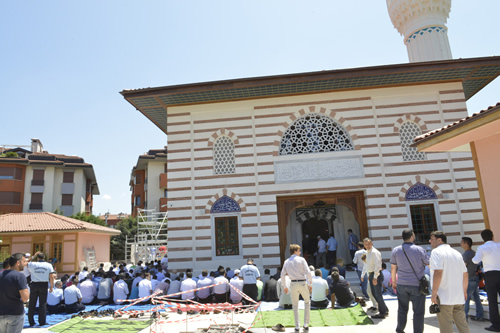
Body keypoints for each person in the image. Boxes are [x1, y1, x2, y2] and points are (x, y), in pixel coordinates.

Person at [429, 231, 469, 333]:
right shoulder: (457, 253)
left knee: (446, 326)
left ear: (439, 240)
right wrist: (464, 291)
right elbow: (465, 274)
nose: (430, 241)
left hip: (444, 296)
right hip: (458, 296)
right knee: (463, 325)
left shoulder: (436, 252)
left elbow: (438, 272)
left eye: (432, 239)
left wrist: (434, 293)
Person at [390, 229, 429, 333]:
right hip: (417, 285)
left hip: (401, 284)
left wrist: (394, 282)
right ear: (412, 236)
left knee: (402, 309)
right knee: (418, 312)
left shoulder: (396, 250)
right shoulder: (420, 250)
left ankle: (400, 330)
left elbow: (393, 268)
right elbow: (429, 264)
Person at [472, 229, 500, 332]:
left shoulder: (482, 248)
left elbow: (475, 260)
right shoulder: (499, 245)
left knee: (492, 301)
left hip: (490, 275)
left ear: (482, 238)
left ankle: (496, 325)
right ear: (492, 236)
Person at [281, 244, 313, 332]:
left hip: (293, 284)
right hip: (302, 282)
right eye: (299, 250)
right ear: (295, 251)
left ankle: (297, 326)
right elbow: (308, 272)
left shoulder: (287, 261)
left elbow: (282, 275)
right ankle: (305, 324)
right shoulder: (301, 259)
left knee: (295, 305)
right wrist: (310, 284)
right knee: (307, 302)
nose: (300, 252)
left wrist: (284, 286)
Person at [0, 253, 29, 333]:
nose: (25, 264)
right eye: (24, 261)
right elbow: (25, 297)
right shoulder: (19, 276)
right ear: (18, 263)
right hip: (15, 313)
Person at [461, 236, 485, 322]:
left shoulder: (466, 254)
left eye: (462, 242)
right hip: (475, 278)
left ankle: (464, 318)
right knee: (476, 298)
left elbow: (463, 266)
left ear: (466, 244)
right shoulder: (473, 252)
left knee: (466, 298)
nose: (461, 244)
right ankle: (480, 315)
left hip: (469, 279)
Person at [27, 251, 55, 327]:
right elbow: (51, 276)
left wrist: (33, 256)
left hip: (34, 284)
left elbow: (25, 262)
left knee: (32, 303)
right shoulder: (48, 265)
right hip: (43, 284)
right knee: (42, 304)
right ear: (44, 258)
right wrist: (51, 286)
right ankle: (42, 321)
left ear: (38, 258)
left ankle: (31, 321)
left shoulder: (33, 264)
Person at [363, 237, 388, 319]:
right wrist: (369, 275)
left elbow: (378, 265)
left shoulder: (374, 252)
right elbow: (368, 265)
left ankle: (382, 312)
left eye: (369, 244)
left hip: (376, 275)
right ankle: (385, 309)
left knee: (377, 294)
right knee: (374, 294)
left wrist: (375, 277)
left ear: (372, 243)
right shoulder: (367, 252)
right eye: (366, 244)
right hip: (371, 274)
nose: (368, 245)